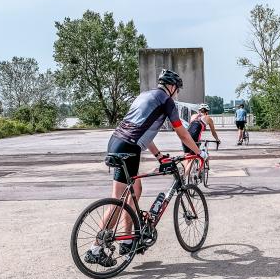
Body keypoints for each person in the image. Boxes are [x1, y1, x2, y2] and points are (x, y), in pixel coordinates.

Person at [84, 69, 207, 267]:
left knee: (135, 190)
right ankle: (96, 248)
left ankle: (128, 240)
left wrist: (159, 156)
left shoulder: (145, 96)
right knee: (118, 202)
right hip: (130, 147)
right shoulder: (166, 101)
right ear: (172, 86)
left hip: (117, 142)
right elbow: (183, 134)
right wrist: (199, 154)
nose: (177, 94)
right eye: (177, 90)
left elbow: (143, 131)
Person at [182, 103, 220, 175]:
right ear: (207, 112)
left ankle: (183, 175)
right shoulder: (208, 118)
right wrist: (217, 139)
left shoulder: (193, 116)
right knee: (193, 157)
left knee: (187, 157)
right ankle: (185, 177)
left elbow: (192, 128)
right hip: (194, 138)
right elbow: (213, 132)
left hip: (185, 136)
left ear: (199, 111)